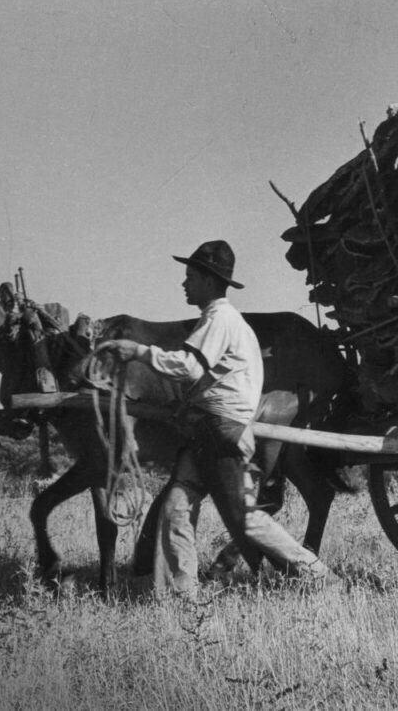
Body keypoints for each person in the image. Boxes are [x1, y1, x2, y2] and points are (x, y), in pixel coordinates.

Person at [97, 240, 334, 597]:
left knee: (244, 518)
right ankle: (184, 593)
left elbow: (190, 367)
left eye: (190, 276)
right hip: (208, 429)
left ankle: (317, 576)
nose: (184, 283)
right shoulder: (221, 321)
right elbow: (211, 378)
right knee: (178, 505)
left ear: (209, 281)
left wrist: (139, 351)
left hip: (223, 431)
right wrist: (188, 405)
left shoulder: (219, 318)